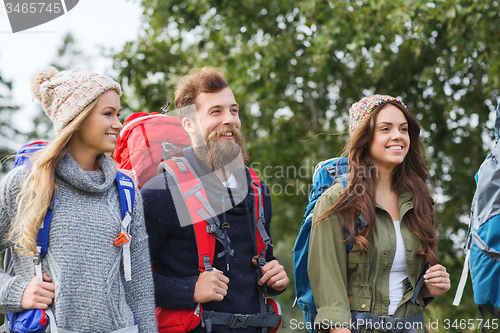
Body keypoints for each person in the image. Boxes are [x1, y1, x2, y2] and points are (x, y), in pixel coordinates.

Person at [0, 67, 158, 333]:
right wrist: (17, 292)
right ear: (77, 117)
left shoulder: (126, 192)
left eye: (117, 114)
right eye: (107, 114)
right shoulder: (26, 183)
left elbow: (139, 288)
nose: (118, 124)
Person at [141, 67, 289, 333]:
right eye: (216, 111)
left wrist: (274, 279)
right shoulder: (162, 192)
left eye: (234, 110)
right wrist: (188, 290)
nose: (229, 119)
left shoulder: (257, 190)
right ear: (189, 124)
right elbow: (128, 279)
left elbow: (257, 263)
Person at [308, 95, 451, 333]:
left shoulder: (420, 202)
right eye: (386, 128)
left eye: (403, 129)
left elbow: (410, 288)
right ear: (363, 138)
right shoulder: (337, 202)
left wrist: (429, 287)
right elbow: (331, 301)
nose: (398, 135)